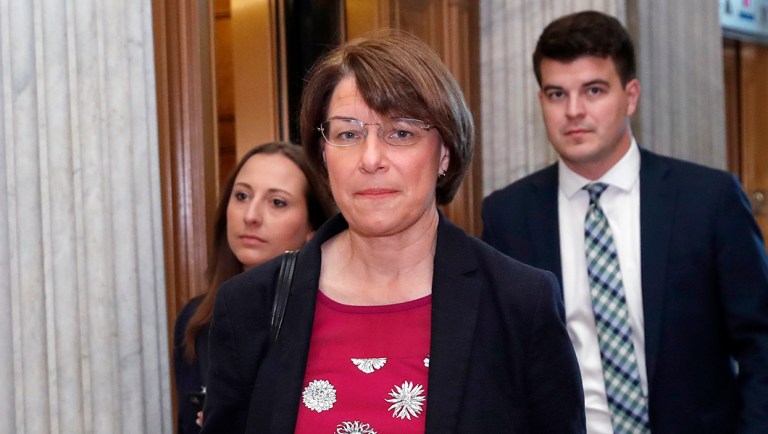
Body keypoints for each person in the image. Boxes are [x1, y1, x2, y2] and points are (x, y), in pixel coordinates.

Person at [200, 31, 585, 433]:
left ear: (445, 153)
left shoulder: (519, 303)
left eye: (400, 133)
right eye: (348, 134)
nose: (370, 159)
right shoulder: (250, 305)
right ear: (323, 153)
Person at [482, 10, 768, 434]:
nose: (574, 111)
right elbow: (500, 362)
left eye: (593, 90)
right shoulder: (509, 215)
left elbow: (760, 343)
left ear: (630, 95)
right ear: (540, 100)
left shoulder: (708, 199)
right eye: (556, 94)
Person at [172, 142, 333, 434]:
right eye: (242, 196)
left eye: (277, 202)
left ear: (313, 228)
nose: (251, 216)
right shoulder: (196, 320)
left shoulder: (331, 319)